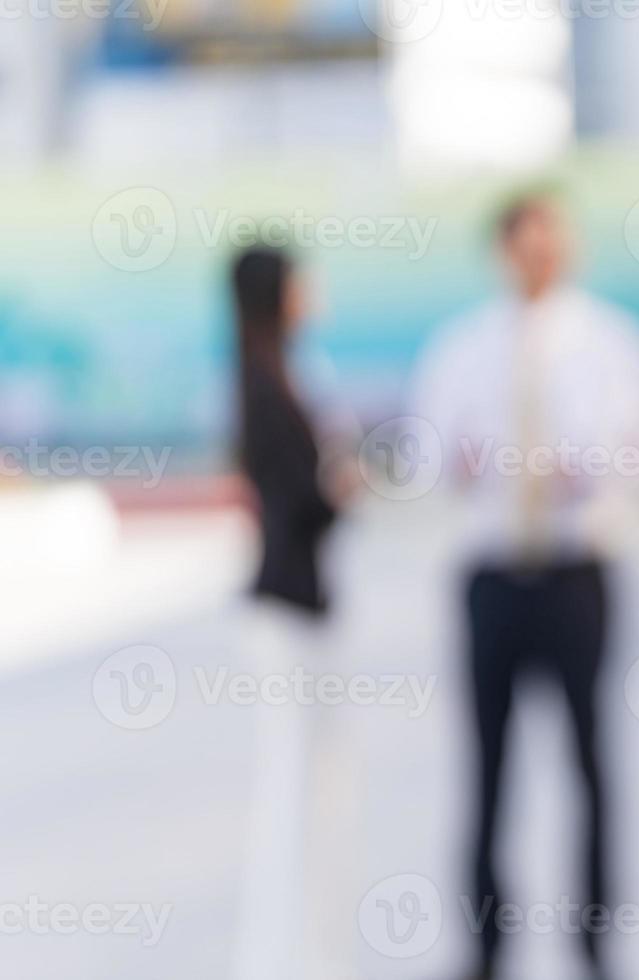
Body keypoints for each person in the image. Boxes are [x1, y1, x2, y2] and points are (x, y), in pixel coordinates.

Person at [409, 193, 639, 980]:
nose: (541, 257)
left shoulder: (610, 342)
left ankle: (595, 944)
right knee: (487, 768)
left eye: (553, 242)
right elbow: (425, 452)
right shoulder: (463, 346)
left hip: (576, 575)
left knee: (590, 763)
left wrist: (579, 468)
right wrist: (465, 461)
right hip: (493, 577)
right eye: (526, 244)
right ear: (503, 252)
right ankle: (486, 945)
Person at [231, 246, 357, 980]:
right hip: (287, 614)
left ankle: (311, 954)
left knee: (319, 792)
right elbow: (297, 501)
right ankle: (280, 958)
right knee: (292, 792)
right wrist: (339, 485)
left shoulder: (285, 372)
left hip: (307, 607)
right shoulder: (266, 382)